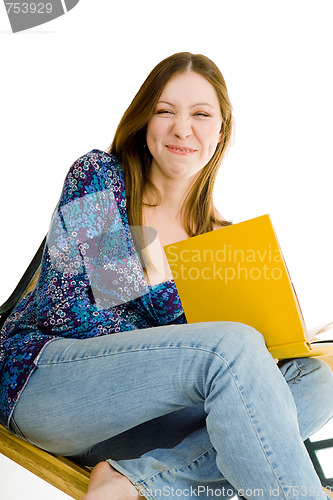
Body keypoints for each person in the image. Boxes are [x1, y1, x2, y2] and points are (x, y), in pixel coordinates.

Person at [1, 52, 333, 500]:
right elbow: (74, 316)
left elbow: (247, 352)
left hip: (142, 427)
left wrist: (272, 349)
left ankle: (139, 481)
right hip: (50, 386)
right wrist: (195, 337)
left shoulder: (223, 241)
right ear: (144, 121)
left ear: (221, 131)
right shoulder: (105, 179)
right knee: (230, 349)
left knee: (316, 381)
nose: (183, 128)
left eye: (201, 114)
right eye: (165, 111)